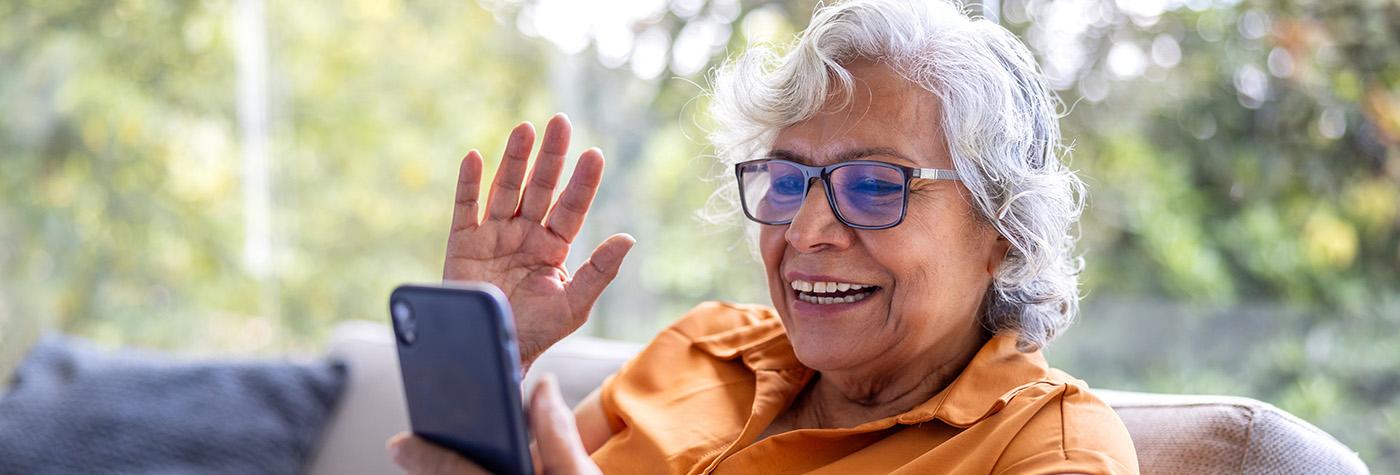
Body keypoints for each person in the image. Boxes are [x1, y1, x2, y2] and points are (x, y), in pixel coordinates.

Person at [388, 0, 1139, 473]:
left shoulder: (1051, 451)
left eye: (874, 185)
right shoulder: (699, 345)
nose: (806, 230)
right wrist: (480, 370)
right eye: (786, 181)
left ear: (1002, 229)